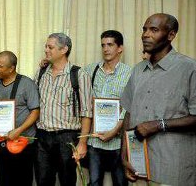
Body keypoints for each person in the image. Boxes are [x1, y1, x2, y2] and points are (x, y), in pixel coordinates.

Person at [120, 13, 196, 185]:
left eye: (154, 30)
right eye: (144, 29)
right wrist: (124, 156)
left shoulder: (189, 69)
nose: (146, 34)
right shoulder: (138, 70)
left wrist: (158, 125)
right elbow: (129, 114)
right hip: (139, 169)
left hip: (172, 170)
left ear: (171, 35)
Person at [34, 33, 93, 186]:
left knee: (67, 181)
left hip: (67, 139)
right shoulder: (41, 73)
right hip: (42, 138)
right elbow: (33, 105)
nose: (46, 50)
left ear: (64, 49)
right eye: (46, 46)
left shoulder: (79, 75)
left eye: (50, 47)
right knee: (42, 181)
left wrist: (82, 143)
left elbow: (86, 112)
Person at [84, 30, 130, 186]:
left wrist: (115, 130)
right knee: (94, 182)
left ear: (120, 48)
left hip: (118, 142)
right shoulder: (90, 70)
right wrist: (46, 64)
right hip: (94, 141)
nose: (105, 49)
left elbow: (130, 106)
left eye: (110, 44)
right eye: (103, 45)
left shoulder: (129, 73)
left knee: (120, 182)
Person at [0, 51, 40, 186]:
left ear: (11, 68)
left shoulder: (27, 84)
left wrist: (19, 130)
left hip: (23, 143)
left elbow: (35, 112)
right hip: (4, 143)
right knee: (4, 180)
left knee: (22, 181)